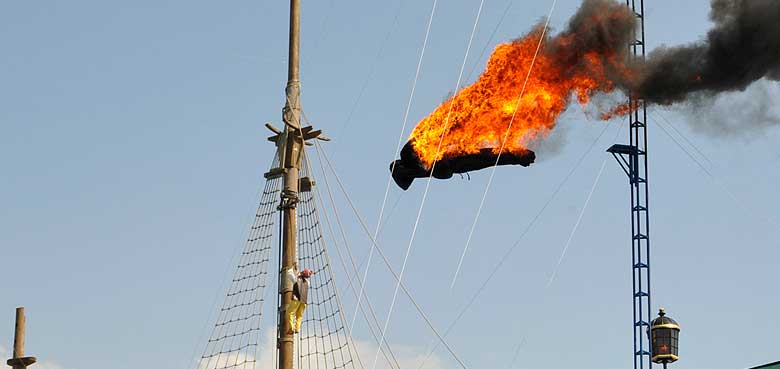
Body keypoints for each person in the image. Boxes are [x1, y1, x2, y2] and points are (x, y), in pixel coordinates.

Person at [287, 267, 313, 334]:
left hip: (296, 299)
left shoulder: (296, 279)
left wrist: (292, 267)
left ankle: (291, 328)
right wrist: (298, 272)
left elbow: (289, 273)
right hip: (304, 302)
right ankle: (297, 328)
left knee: (290, 313)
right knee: (299, 316)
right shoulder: (307, 282)